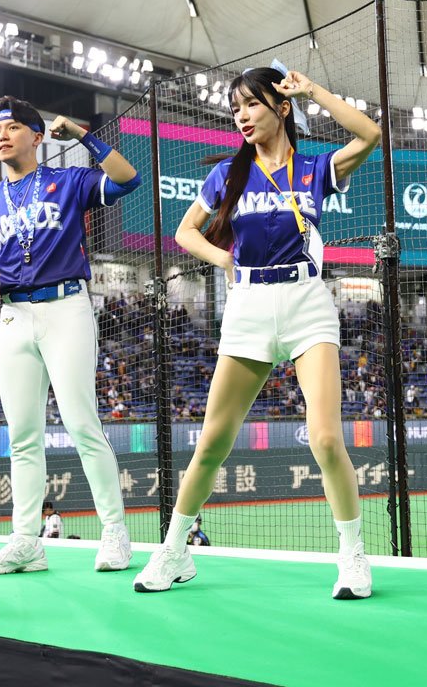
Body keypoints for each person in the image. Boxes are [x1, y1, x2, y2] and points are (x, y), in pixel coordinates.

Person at [133, 66, 380, 599]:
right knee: (212, 442)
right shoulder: (228, 174)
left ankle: (353, 556)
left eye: (251, 104)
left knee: (326, 438)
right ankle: (174, 550)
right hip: (247, 306)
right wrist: (225, 260)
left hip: (306, 303)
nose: (241, 116)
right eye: (235, 109)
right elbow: (184, 232)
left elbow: (369, 135)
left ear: (281, 107)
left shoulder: (314, 168)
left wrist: (312, 91)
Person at [0, 96, 142, 575]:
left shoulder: (69, 180)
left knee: (82, 423)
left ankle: (115, 532)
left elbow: (128, 179)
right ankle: (26, 542)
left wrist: (81, 135)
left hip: (65, 307)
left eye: (13, 127)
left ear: (37, 137)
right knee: (22, 436)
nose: (2, 135)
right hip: (13, 316)